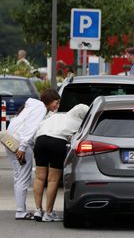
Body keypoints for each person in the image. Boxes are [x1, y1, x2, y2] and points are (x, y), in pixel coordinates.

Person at [5, 89, 61, 220]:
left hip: (10, 141)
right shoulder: (40, 108)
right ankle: (20, 211)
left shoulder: (33, 105)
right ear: (49, 100)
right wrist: (23, 147)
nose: (57, 106)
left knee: (18, 176)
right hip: (20, 144)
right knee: (23, 177)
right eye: (56, 102)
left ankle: (21, 209)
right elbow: (30, 127)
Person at [32, 104, 89, 222]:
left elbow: (38, 129)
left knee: (39, 177)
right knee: (52, 179)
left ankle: (38, 210)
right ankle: (48, 213)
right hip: (57, 143)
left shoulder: (55, 116)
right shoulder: (78, 124)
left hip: (40, 141)